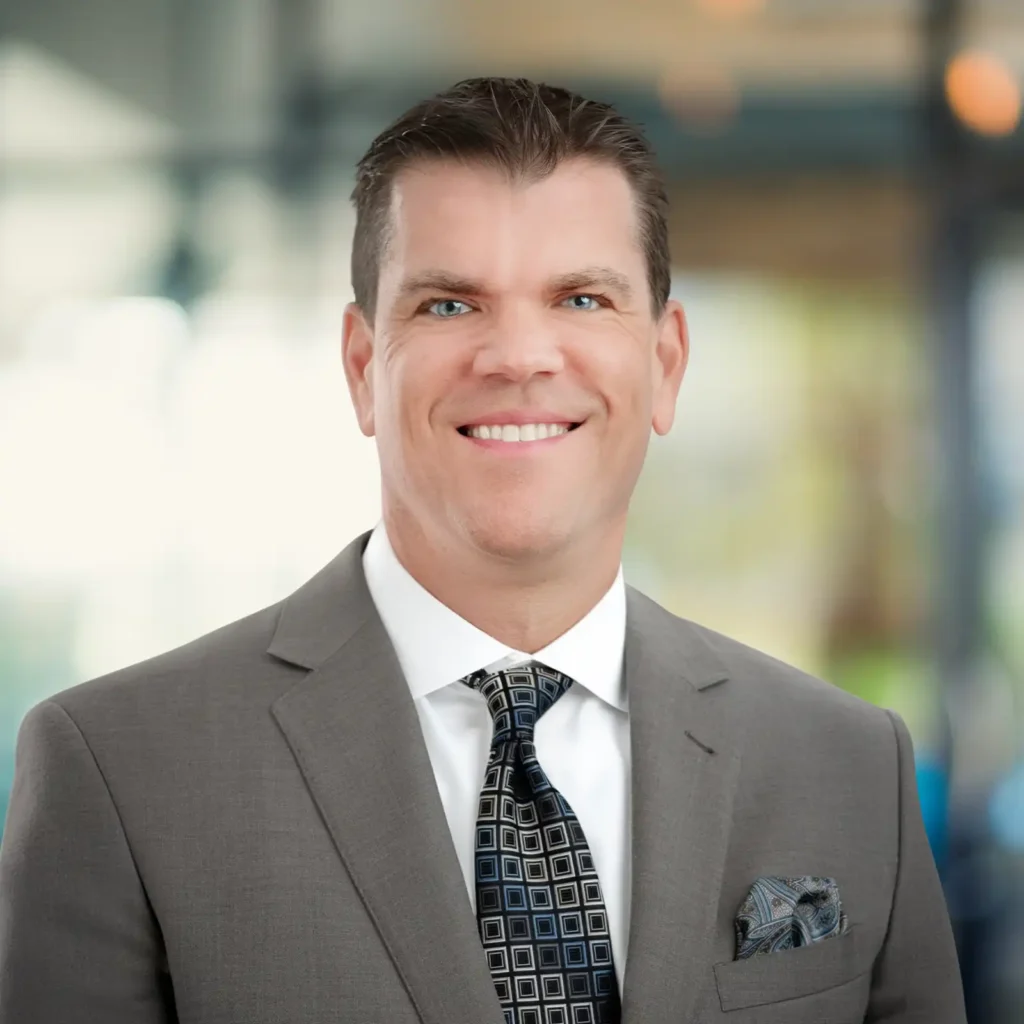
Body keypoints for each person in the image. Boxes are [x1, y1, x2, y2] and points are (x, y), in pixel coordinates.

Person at [0, 77, 966, 1024]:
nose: (518, 356)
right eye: (449, 305)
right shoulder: (123, 769)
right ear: (361, 366)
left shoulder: (847, 768)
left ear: (666, 364)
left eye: (582, 299)